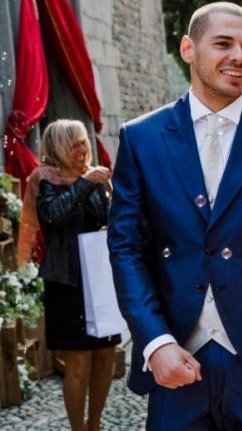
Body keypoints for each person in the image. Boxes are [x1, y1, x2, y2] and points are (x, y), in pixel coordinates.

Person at [107, 1, 242, 430]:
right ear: (188, 49)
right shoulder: (142, 139)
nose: (239, 57)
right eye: (223, 44)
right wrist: (154, 341)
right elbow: (126, 248)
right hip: (177, 358)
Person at [17, 119, 117, 431]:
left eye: (84, 142)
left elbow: (105, 219)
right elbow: (53, 216)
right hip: (67, 282)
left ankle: (95, 423)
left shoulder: (94, 178)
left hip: (99, 280)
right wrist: (85, 182)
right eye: (74, 144)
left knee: (105, 357)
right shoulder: (44, 179)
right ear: (59, 148)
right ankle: (78, 429)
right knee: (78, 362)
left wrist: (109, 194)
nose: (82, 149)